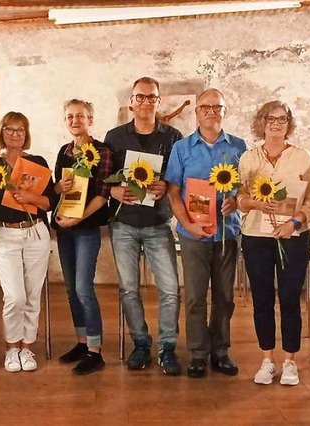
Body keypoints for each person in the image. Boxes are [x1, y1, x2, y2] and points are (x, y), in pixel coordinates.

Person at [104, 76, 183, 376]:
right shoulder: (114, 137)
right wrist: (112, 191)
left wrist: (166, 184)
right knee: (128, 289)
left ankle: (167, 347)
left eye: (152, 97)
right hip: (123, 222)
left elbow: (179, 178)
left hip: (158, 222)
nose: (146, 102)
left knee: (170, 289)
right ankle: (140, 343)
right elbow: (104, 176)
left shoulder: (173, 136)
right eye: (141, 97)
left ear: (158, 101)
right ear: (132, 102)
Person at [166, 88, 246, 378]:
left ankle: (220, 351)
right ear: (196, 111)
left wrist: (236, 201)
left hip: (227, 232)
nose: (211, 111)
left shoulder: (239, 147)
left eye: (217, 106)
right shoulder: (181, 149)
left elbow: (246, 187)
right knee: (195, 297)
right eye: (205, 107)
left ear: (225, 111)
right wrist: (187, 225)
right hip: (193, 235)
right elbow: (173, 192)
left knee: (225, 296)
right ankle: (198, 353)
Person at [237, 100, 310, 385]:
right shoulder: (248, 158)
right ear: (261, 122)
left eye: (282, 119)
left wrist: (294, 223)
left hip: (293, 237)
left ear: (289, 124)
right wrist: (254, 202)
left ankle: (290, 361)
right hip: (255, 237)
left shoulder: (303, 157)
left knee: (289, 298)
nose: (276, 123)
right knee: (262, 299)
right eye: (270, 118)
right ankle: (267, 360)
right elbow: (240, 198)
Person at [0, 111, 54, 373]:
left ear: (26, 134)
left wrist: (30, 198)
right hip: (5, 235)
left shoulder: (37, 162)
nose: (15, 134)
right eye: (9, 129)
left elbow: (49, 202)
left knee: (32, 294)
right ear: (1, 132)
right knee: (14, 296)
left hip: (35, 232)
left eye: (20, 130)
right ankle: (11, 347)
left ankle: (27, 347)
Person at [52, 99, 112, 375]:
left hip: (86, 229)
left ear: (91, 119)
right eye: (69, 116)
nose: (75, 120)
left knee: (83, 288)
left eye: (80, 116)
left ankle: (95, 350)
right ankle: (81, 340)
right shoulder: (64, 152)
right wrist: (57, 187)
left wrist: (79, 217)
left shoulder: (102, 151)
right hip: (66, 229)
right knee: (70, 290)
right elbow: (58, 191)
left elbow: (102, 195)